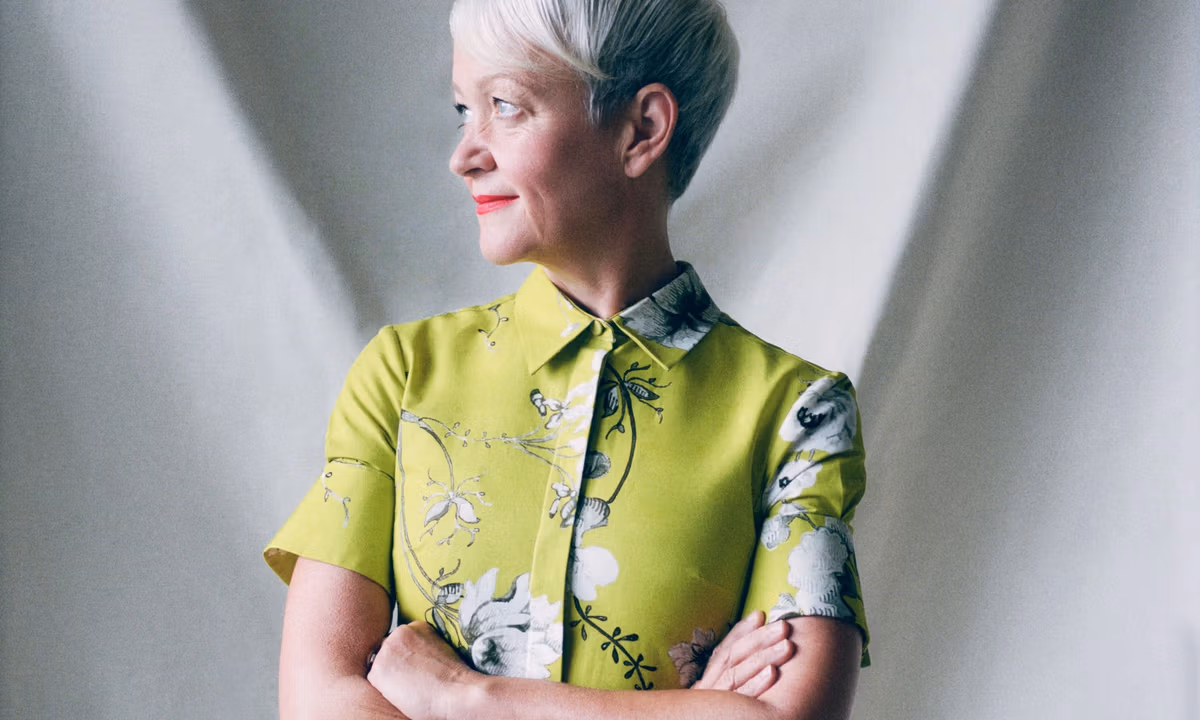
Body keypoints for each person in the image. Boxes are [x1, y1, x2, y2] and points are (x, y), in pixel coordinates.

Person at [264, 0, 869, 717]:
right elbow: (321, 703)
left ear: (642, 130)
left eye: (505, 106)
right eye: (464, 111)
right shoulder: (400, 376)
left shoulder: (799, 415)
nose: (465, 155)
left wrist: (466, 696)